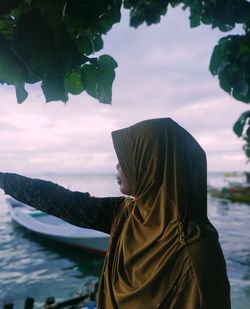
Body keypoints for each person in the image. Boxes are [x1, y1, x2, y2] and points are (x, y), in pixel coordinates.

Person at [0, 118, 231, 309]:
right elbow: (61, 201)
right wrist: (4, 180)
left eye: (128, 157)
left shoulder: (195, 253)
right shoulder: (126, 214)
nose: (118, 166)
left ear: (153, 166)